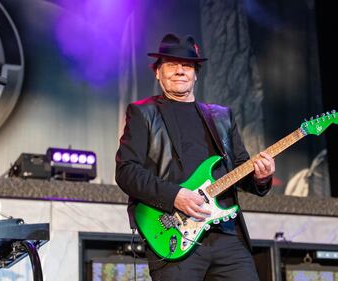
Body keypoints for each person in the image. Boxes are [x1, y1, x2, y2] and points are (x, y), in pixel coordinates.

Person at [115, 33, 275, 281]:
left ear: (196, 74)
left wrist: (261, 177)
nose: (180, 70)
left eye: (187, 65)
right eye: (171, 64)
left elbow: (241, 170)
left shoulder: (222, 117)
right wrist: (174, 196)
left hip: (227, 236)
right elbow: (126, 171)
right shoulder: (142, 113)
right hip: (175, 235)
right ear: (158, 72)